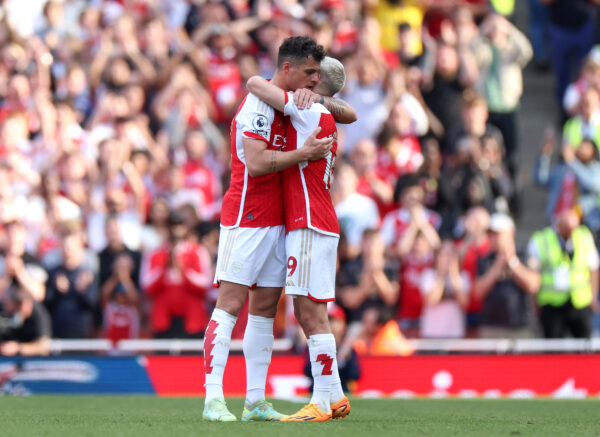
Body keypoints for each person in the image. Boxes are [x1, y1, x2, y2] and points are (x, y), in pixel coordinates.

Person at [203, 36, 355, 422]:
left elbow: (345, 111)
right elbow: (255, 162)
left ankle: (255, 400)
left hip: (285, 222)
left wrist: (316, 98)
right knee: (232, 304)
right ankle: (213, 399)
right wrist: (258, 82)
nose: (311, 80)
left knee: (268, 310)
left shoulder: (297, 107)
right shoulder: (262, 101)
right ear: (288, 69)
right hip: (248, 215)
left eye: (317, 76)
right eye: (308, 73)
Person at [245, 56, 352, 422]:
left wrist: (260, 81)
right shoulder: (321, 112)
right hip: (316, 219)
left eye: (309, 71)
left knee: (309, 313)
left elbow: (256, 85)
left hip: (309, 222)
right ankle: (335, 396)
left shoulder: (307, 111)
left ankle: (320, 401)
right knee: (311, 309)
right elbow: (346, 111)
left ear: (315, 79)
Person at [526, 209, 599, 338]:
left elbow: (593, 268)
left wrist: (593, 297)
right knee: (554, 350)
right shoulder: (541, 240)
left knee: (584, 349)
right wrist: (535, 303)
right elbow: (533, 275)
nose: (570, 232)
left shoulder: (584, 236)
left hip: (580, 302)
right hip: (552, 304)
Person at [473, 213, 536, 338]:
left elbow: (533, 285)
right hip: (491, 327)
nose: (493, 238)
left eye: (498, 234)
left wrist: (512, 262)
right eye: (491, 234)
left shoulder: (523, 254)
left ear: (510, 233)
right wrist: (497, 266)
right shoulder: (484, 259)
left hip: (519, 326)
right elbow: (477, 293)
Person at [0, 287, 51, 356]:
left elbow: (44, 347)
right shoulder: (7, 311)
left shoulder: (38, 314)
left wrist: (18, 348)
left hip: (33, 361)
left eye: (18, 308)